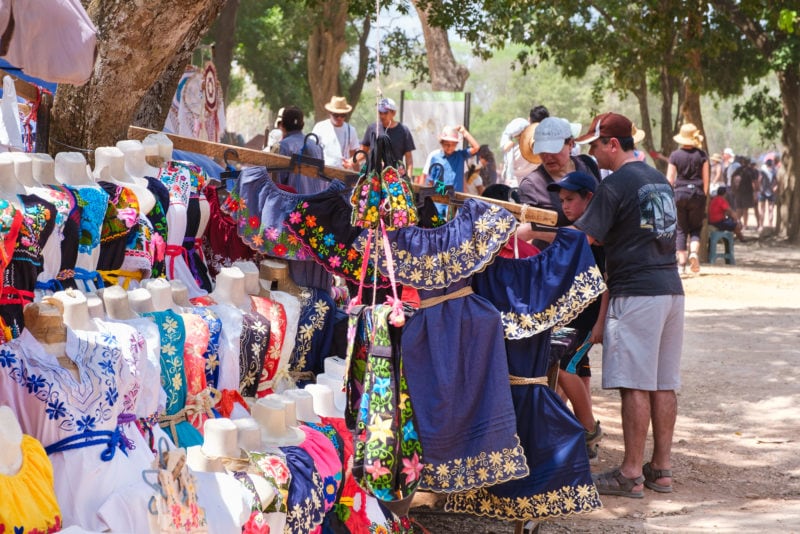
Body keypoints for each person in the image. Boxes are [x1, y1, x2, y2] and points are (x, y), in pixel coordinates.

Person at [574, 111, 684, 499]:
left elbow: (581, 239)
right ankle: (662, 470)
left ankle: (631, 473)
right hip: (671, 290)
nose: (594, 154)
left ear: (613, 145)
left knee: (634, 384)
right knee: (663, 383)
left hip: (637, 293)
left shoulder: (616, 184)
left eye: (596, 146)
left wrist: (533, 229)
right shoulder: (657, 178)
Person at [545, 171, 608, 462]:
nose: (565, 206)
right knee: (575, 370)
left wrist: (599, 323)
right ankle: (578, 437)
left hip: (586, 320)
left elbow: (607, 282)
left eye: (571, 199)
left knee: (566, 368)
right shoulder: (574, 229)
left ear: (589, 198)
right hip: (571, 317)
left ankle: (588, 429)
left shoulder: (596, 235)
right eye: (562, 201)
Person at [517, 116, 601, 249]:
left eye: (553, 150)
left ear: (571, 144)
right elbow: (524, 235)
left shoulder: (587, 164)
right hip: (555, 260)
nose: (547, 157)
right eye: (542, 151)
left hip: (594, 257)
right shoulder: (531, 185)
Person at [666, 123, 709, 274]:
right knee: (696, 228)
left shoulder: (675, 155)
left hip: (679, 193)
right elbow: (706, 180)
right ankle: (694, 253)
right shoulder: (702, 155)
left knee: (681, 229)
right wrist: (703, 197)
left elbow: (670, 179)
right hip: (697, 193)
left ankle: (681, 265)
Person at [275, 106, 325, 194]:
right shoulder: (317, 146)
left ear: (282, 124)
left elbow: (279, 181)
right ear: (302, 125)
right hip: (316, 202)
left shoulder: (284, 146)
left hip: (295, 203)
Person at [360, 97, 415, 176]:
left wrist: (409, 178)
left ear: (393, 113)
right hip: (373, 176)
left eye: (385, 113)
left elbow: (409, 159)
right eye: (380, 112)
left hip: (395, 179)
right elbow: (363, 152)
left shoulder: (403, 131)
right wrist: (350, 162)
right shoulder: (372, 128)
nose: (382, 116)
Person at [422, 125, 480, 192]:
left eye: (453, 145)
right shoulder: (435, 158)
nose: (449, 147)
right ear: (442, 143)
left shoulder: (460, 156)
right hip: (438, 199)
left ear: (456, 144)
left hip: (455, 199)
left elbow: (476, 147)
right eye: (447, 144)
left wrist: (464, 132)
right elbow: (430, 181)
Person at [311, 96, 360, 170]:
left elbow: (353, 155)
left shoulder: (351, 130)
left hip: (343, 174)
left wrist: (358, 177)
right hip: (323, 172)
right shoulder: (320, 127)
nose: (339, 118)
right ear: (330, 113)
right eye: (336, 115)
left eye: (343, 115)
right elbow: (312, 150)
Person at [731, 157, 759, 229]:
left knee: (738, 209)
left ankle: (737, 224)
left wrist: (734, 188)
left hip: (739, 192)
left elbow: (732, 177)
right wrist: (755, 192)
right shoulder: (751, 171)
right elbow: (754, 182)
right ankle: (745, 225)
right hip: (748, 192)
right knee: (745, 209)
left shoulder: (738, 170)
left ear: (742, 162)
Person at [758, 158, 778, 230]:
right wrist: (775, 187)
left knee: (764, 209)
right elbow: (776, 181)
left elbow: (759, 180)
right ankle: (769, 226)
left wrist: (760, 189)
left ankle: (762, 226)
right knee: (770, 209)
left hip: (764, 191)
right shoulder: (773, 171)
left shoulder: (763, 171)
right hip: (769, 192)